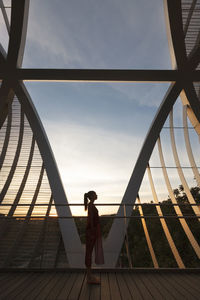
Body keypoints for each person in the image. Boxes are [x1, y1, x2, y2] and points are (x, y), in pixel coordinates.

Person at [84, 191, 104, 284]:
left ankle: (89, 276)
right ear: (92, 196)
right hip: (92, 231)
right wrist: (92, 231)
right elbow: (91, 219)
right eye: (95, 194)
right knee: (89, 252)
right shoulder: (91, 206)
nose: (97, 195)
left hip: (92, 230)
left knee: (89, 252)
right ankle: (89, 277)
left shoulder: (90, 205)